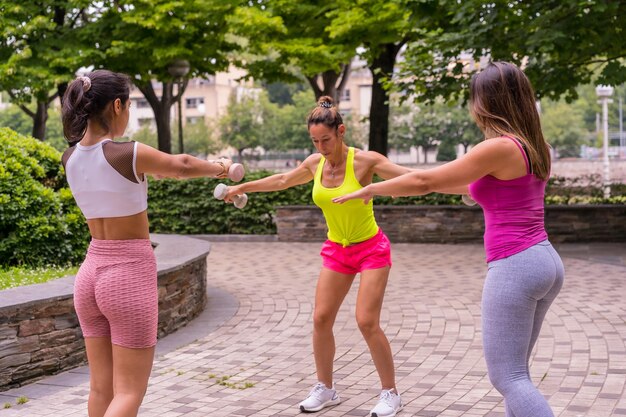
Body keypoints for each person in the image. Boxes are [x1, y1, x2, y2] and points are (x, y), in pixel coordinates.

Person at [334, 62, 564, 417]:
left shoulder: (498, 147)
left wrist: (372, 188)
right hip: (544, 260)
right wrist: (400, 176)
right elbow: (446, 181)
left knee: (509, 377)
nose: (472, 108)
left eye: (474, 99)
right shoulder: (536, 146)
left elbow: (426, 183)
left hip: (515, 264)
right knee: (517, 374)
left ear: (488, 102)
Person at [61, 70, 237, 417]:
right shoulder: (126, 153)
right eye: (129, 105)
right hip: (127, 275)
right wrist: (221, 168)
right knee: (128, 393)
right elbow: (182, 166)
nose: (129, 113)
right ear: (116, 105)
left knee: (101, 387)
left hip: (90, 275)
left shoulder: (70, 158)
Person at [222, 96, 408, 417]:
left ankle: (390, 393)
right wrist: (243, 188)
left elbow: (411, 177)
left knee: (366, 321)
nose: (321, 146)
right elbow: (281, 180)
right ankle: (326, 389)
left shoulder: (365, 161)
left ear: (341, 132)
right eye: (315, 141)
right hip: (337, 250)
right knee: (321, 319)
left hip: (370, 248)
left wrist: (464, 182)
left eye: (326, 139)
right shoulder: (314, 163)